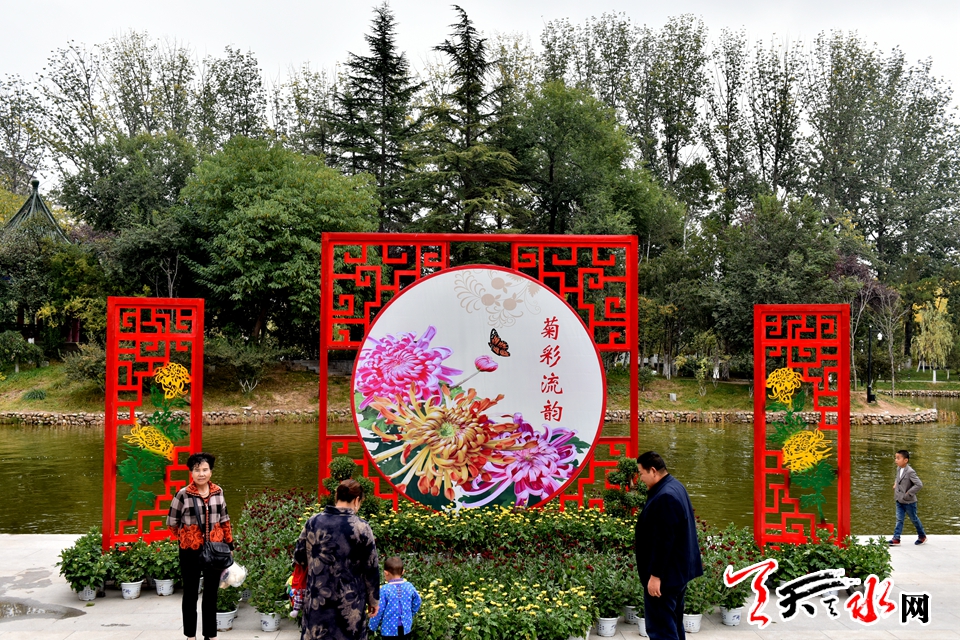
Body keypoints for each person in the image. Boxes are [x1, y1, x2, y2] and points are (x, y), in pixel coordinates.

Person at [294, 479, 380, 640]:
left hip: (317, 600)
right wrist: (373, 600)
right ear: (356, 500)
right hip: (350, 602)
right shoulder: (361, 527)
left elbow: (299, 557)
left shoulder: (313, 522)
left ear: (336, 496)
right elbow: (371, 567)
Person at [634, 451, 703, 640]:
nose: (640, 478)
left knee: (661, 630)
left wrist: (655, 576)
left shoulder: (665, 496)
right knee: (673, 624)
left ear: (653, 471)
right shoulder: (675, 486)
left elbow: (664, 540)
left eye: (641, 473)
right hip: (677, 573)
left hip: (666, 577)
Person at [167, 452, 233, 640]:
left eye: (205, 469)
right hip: (190, 551)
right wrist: (187, 537)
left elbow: (225, 520)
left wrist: (229, 544)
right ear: (191, 472)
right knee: (190, 594)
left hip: (214, 551)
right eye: (197, 470)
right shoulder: (183, 494)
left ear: (211, 471)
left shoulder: (218, 492)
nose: (201, 474)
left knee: (211, 594)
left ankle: (210, 635)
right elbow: (172, 522)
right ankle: (190, 636)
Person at [369, 556, 422, 640]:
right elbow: (417, 601)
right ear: (403, 571)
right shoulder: (409, 586)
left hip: (389, 631)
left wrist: (372, 626)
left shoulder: (385, 590)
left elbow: (378, 610)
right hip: (406, 628)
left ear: (386, 573)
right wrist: (409, 614)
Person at [889, 449, 926, 546]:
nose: (896, 460)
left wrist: (908, 493)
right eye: (895, 458)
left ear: (905, 460)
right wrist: (895, 484)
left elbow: (919, 484)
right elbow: (898, 478)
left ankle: (922, 536)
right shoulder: (898, 468)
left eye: (898, 458)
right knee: (899, 519)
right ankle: (896, 538)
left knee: (914, 519)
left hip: (909, 502)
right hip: (899, 499)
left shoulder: (910, 472)